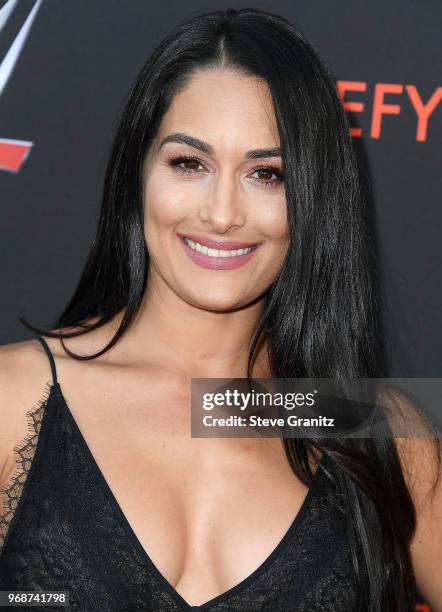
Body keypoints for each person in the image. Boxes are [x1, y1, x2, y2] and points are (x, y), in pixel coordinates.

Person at [0, 7, 440, 611]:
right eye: (190, 163)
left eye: (267, 173)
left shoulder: (376, 430)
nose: (223, 212)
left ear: (315, 199)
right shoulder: (12, 397)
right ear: (139, 174)